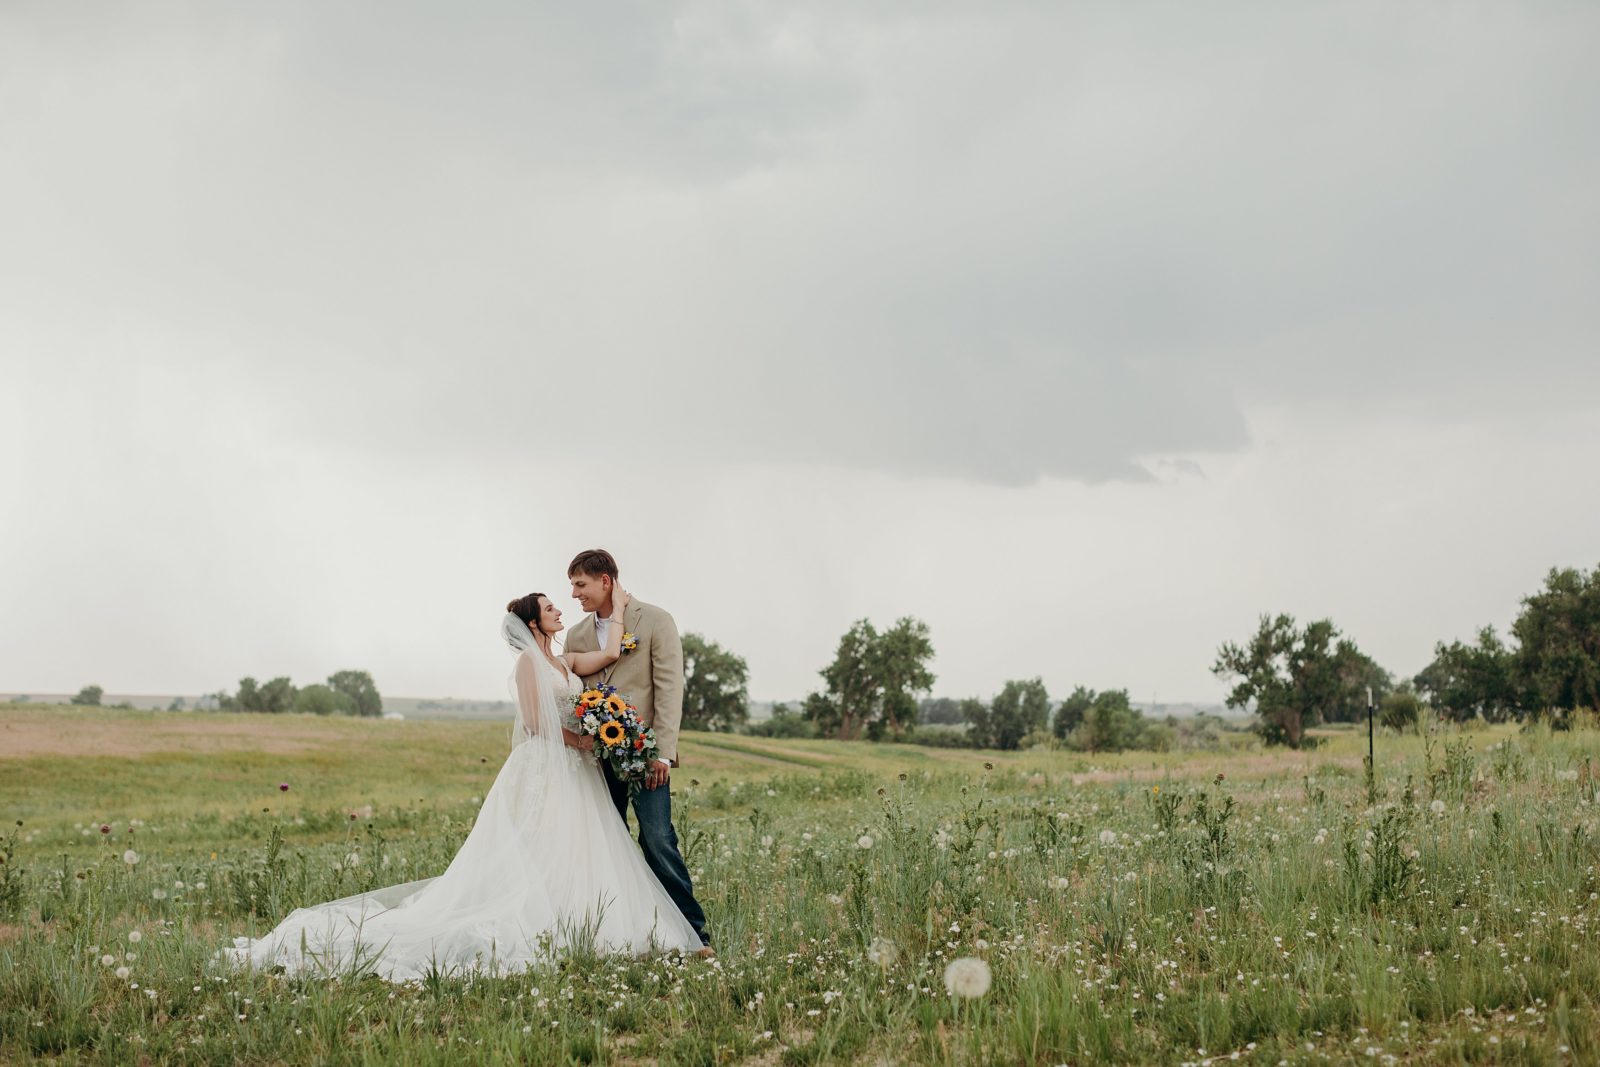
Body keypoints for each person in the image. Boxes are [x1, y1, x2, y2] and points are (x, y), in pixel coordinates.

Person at [222, 585, 703, 981]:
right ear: (533, 623)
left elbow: (614, 651)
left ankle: (593, 924)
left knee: (583, 846)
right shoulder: (527, 666)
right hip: (548, 764)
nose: (561, 609)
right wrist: (585, 743)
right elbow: (536, 724)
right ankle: (549, 924)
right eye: (552, 608)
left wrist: (618, 608)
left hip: (579, 771)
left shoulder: (566, 663)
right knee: (545, 846)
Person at [561, 548, 711, 951]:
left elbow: (669, 689)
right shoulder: (576, 636)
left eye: (580, 584)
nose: (575, 594)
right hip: (596, 761)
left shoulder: (657, 620)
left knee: (658, 841)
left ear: (605, 580)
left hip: (646, 759)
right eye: (573, 586)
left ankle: (694, 935)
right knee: (602, 847)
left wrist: (662, 753)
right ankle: (615, 937)